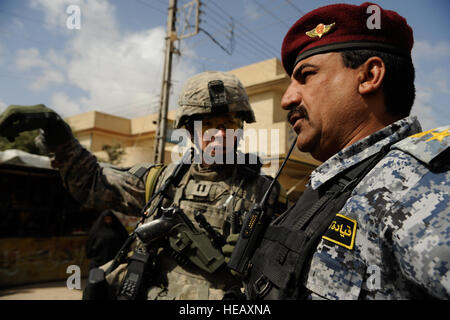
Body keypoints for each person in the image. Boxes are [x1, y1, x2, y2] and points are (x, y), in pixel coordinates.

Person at [0, 71, 285, 299]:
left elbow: (286, 274)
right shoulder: (159, 181)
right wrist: (57, 134)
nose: (220, 135)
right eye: (209, 124)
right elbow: (91, 183)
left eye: (230, 124)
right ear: (190, 130)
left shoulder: (265, 195)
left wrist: (262, 254)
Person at [241, 2, 449, 300]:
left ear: (369, 76)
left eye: (306, 75)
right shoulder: (338, 185)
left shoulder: (422, 184)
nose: (287, 98)